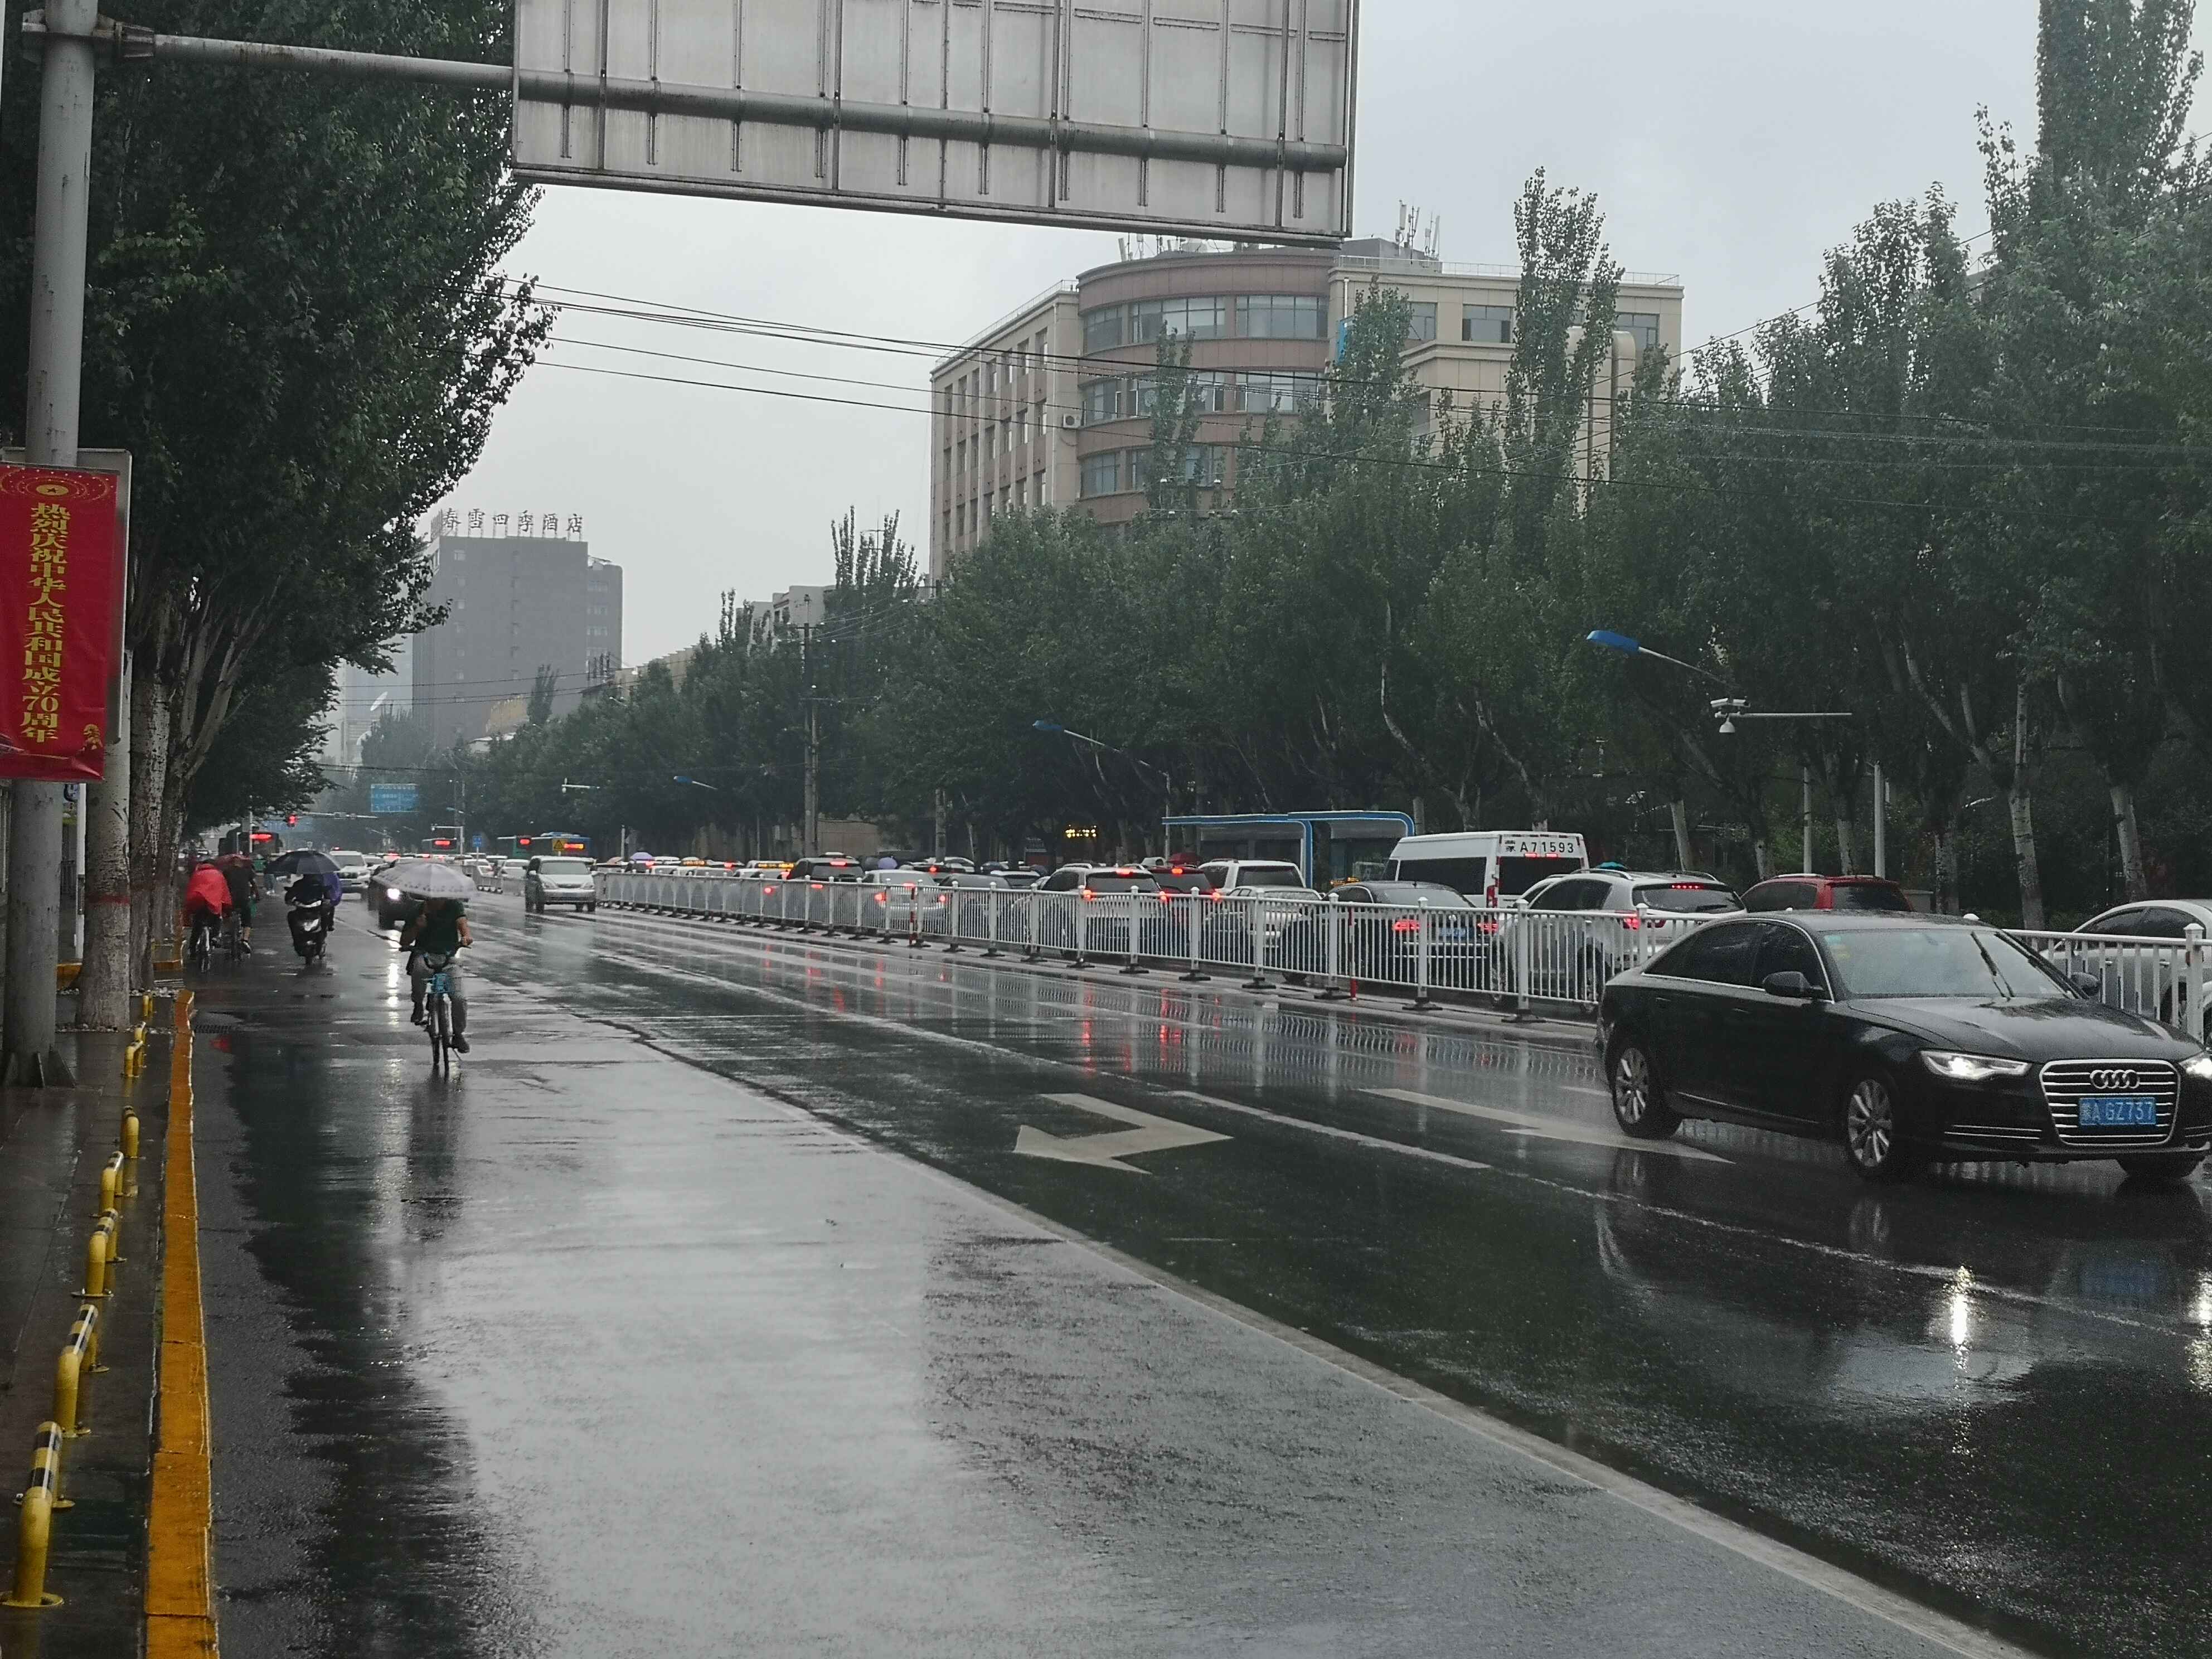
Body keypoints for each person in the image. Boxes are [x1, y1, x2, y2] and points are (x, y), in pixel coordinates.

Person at [399, 896, 472, 1053]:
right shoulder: (417, 910)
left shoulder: (455, 906)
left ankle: (458, 1035)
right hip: (425, 956)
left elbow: (462, 924)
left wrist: (466, 936)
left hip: (449, 958)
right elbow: (404, 941)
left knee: (459, 998)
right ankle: (418, 1004)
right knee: (418, 971)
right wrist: (418, 927)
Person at [285, 869, 339, 960]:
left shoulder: (319, 884)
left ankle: (326, 929)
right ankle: (296, 938)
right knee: (291, 916)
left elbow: (328, 897)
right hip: (301, 910)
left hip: (317, 909)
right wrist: (290, 901)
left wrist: (327, 900)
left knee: (327, 913)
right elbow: (289, 897)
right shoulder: (299, 884)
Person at [184, 860, 232, 955]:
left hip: (198, 902)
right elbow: (224, 892)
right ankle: (215, 937)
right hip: (212, 903)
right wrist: (227, 906)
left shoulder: (197, 874)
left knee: (197, 925)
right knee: (217, 919)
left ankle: (192, 949)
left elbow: (191, 889)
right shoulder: (218, 875)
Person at [218, 851, 259, 953]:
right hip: (244, 899)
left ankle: (227, 931)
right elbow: (254, 884)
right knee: (247, 920)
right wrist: (256, 896)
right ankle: (245, 940)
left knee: (225, 915)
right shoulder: (247, 871)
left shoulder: (226, 872)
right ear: (241, 862)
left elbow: (222, 886)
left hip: (230, 899)